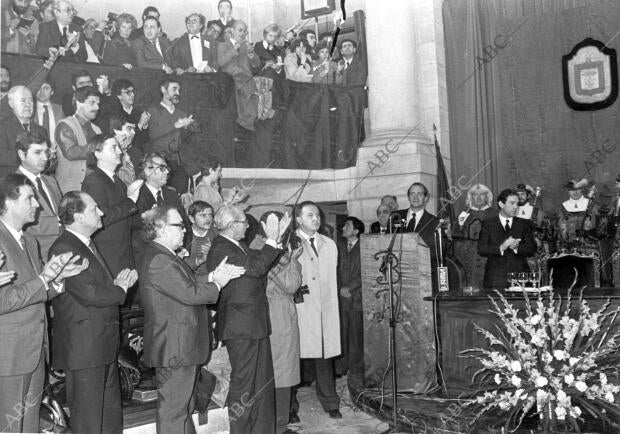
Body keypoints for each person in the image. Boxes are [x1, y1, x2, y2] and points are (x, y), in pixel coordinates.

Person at [138, 205, 243, 434]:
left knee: (183, 408)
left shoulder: (163, 255)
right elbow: (191, 293)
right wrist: (218, 283)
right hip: (175, 348)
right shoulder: (158, 258)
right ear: (160, 228)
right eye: (179, 225)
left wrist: (214, 275)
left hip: (180, 346)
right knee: (174, 412)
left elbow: (189, 282)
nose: (184, 231)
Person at [0, 173, 86, 433]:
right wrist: (43, 278)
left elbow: (38, 290)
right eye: (29, 199)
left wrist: (57, 281)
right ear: (8, 202)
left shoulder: (30, 240)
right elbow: (3, 300)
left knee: (29, 425)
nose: (37, 205)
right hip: (10, 354)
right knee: (9, 427)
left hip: (36, 350)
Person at [49, 190, 138, 434]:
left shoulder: (85, 245)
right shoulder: (64, 247)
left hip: (100, 345)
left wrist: (116, 286)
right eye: (93, 209)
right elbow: (89, 294)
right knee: (88, 420)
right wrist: (119, 289)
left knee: (109, 417)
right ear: (77, 216)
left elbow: (96, 290)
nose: (101, 212)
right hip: (85, 348)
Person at [206, 205, 289, 434]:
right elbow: (257, 267)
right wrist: (271, 240)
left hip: (253, 324)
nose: (248, 225)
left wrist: (277, 239)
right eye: (244, 222)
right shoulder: (221, 248)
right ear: (232, 226)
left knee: (260, 384)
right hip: (241, 327)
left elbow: (260, 261)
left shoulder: (237, 246)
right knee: (244, 385)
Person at [291, 201, 342, 420]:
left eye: (317, 215)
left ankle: (330, 402)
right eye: (309, 215)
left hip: (325, 309)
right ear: (298, 219)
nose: (316, 218)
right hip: (300, 309)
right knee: (294, 359)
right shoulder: (289, 242)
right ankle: (290, 408)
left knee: (325, 356)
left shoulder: (329, 244)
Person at [255, 214, 302, 434]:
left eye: (283, 225)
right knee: (273, 373)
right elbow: (288, 283)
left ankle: (279, 424)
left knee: (283, 372)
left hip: (281, 314)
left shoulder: (277, 251)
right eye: (276, 224)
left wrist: (290, 259)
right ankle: (273, 425)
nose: (281, 229)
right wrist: (291, 260)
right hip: (271, 314)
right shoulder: (259, 249)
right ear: (264, 227)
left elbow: (290, 284)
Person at [81, 135, 138, 276]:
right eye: (114, 147)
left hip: (123, 252)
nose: (120, 151)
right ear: (98, 153)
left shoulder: (116, 180)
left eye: (118, 147)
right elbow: (102, 218)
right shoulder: (94, 181)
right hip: (108, 255)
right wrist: (131, 201)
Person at [130, 152, 188, 263]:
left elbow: (185, 225)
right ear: (147, 171)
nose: (167, 171)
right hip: (147, 258)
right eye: (162, 168)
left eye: (167, 168)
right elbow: (135, 231)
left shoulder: (172, 194)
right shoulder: (136, 196)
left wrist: (181, 249)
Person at [477, 188, 536, 289]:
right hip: (495, 279)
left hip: (520, 279)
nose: (515, 207)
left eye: (517, 204)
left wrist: (517, 248)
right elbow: (481, 249)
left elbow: (532, 249)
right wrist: (501, 247)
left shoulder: (524, 224)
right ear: (501, 204)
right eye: (512, 203)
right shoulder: (488, 224)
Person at [17, 131, 62, 259]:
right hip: (38, 257)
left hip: (64, 251)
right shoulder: (13, 185)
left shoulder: (51, 181)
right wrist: (61, 222)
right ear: (21, 154)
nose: (45, 158)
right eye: (37, 152)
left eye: (46, 152)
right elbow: (22, 225)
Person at [145, 77, 195, 193]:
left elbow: (186, 141)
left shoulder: (181, 113)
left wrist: (188, 128)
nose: (177, 93)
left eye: (179, 90)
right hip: (160, 162)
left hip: (178, 163)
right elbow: (153, 134)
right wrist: (175, 125)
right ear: (163, 89)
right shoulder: (153, 111)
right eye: (174, 89)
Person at [397, 182, 446, 292]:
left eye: (419, 194)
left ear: (426, 198)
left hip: (423, 277)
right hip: (398, 276)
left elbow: (439, 251)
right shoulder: (396, 217)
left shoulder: (435, 222)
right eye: (412, 194)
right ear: (408, 197)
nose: (415, 197)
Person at [55, 86, 102, 193]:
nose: (97, 107)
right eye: (92, 103)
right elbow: (71, 152)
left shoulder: (97, 129)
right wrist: (102, 146)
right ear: (78, 103)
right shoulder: (65, 125)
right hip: (70, 190)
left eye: (98, 104)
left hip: (93, 189)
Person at [218, 20, 262, 131]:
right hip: (231, 78)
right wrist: (234, 49)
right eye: (240, 30)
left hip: (246, 79)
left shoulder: (246, 46)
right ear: (232, 31)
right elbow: (221, 62)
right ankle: (246, 124)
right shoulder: (223, 45)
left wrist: (252, 55)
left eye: (245, 31)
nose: (242, 33)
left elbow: (257, 65)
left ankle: (248, 123)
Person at [451, 183, 496, 289]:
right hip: (467, 260)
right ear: (470, 197)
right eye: (475, 194)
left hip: (489, 260)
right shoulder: (463, 215)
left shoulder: (495, 214)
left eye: (482, 194)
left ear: (487, 197)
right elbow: (455, 236)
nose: (479, 197)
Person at [336, 216, 364, 377]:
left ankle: (356, 369)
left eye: (347, 225)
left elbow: (365, 272)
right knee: (342, 333)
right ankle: (342, 366)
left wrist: (350, 288)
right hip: (341, 298)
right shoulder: (339, 247)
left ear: (356, 230)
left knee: (356, 335)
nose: (343, 228)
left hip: (357, 299)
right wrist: (340, 288)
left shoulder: (364, 247)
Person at [0, 86, 48, 177]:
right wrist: (28, 156)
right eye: (23, 100)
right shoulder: (2, 127)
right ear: (11, 104)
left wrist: (49, 156)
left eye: (31, 100)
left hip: (36, 184)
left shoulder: (41, 130)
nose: (28, 104)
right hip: (10, 183)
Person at [33, 77, 65, 159]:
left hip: (56, 155)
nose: (42, 91)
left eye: (46, 88)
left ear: (52, 92)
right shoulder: (30, 109)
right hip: (36, 155)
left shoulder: (59, 109)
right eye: (39, 88)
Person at [185, 200, 216, 274]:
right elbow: (180, 266)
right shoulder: (184, 237)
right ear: (192, 219)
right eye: (203, 215)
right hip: (190, 278)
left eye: (210, 215)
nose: (208, 219)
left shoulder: (215, 234)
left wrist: (213, 253)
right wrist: (201, 260)